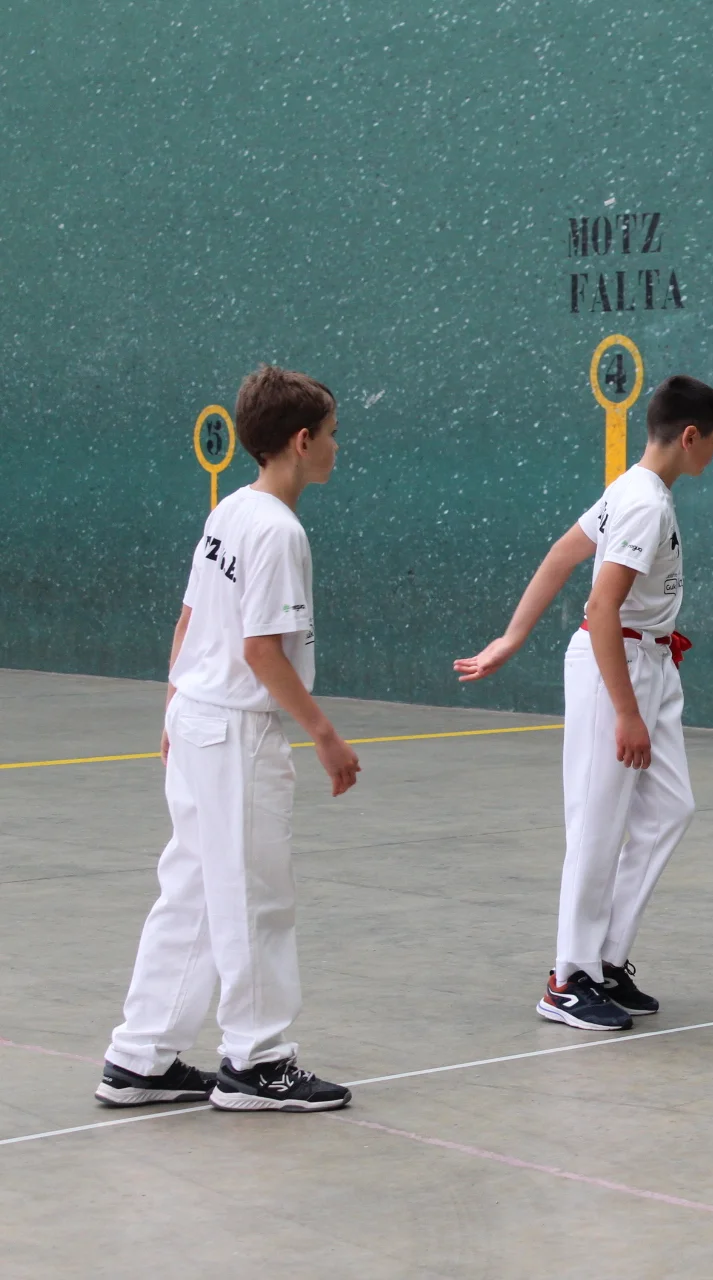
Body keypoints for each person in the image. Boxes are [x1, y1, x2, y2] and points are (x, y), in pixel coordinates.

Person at [97, 366, 360, 1112]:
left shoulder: (230, 511)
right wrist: (325, 736)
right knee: (253, 897)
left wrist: (174, 704)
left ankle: (140, 1058)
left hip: (196, 718)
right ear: (301, 440)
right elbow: (261, 651)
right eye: (332, 433)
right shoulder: (277, 529)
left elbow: (189, 617)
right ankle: (258, 1061)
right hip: (235, 731)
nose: (337, 446)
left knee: (193, 893)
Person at [454, 375, 713, 1031]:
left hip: (652, 662)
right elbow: (602, 606)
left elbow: (560, 555)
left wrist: (511, 638)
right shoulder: (643, 504)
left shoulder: (634, 489)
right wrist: (626, 711)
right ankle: (568, 979)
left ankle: (604, 960)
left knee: (669, 809)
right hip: (618, 666)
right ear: (690, 436)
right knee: (598, 824)